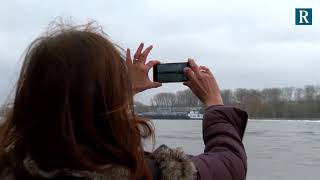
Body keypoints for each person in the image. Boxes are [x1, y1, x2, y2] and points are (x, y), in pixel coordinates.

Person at [0, 22, 248, 180]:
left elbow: (76, 114)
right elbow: (230, 164)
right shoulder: (150, 174)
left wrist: (122, 91)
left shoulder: (11, 166)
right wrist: (214, 102)